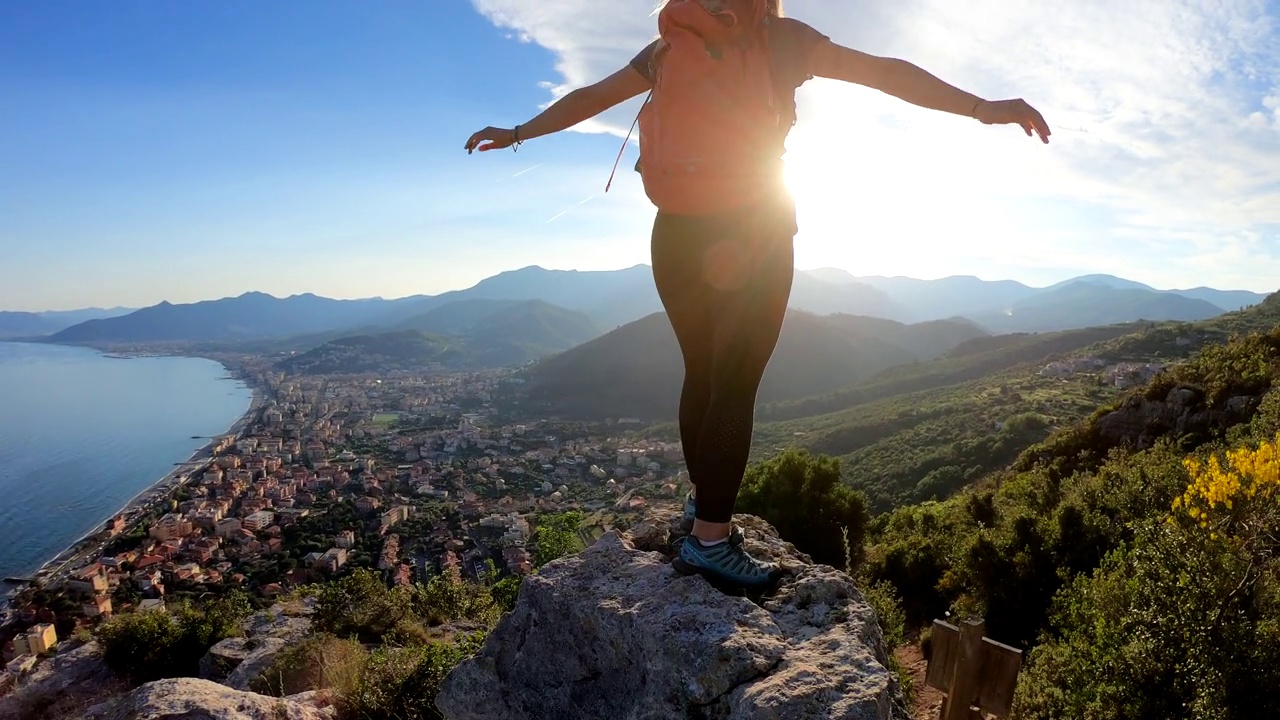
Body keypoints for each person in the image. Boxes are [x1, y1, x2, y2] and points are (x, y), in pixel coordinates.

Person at [465, 0, 1050, 592]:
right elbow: (885, 72)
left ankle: (701, 507)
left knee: (701, 372)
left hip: (674, 232)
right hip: (753, 229)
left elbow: (591, 95)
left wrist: (517, 132)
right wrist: (981, 108)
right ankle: (711, 542)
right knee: (736, 382)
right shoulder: (780, 38)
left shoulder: (671, 42)